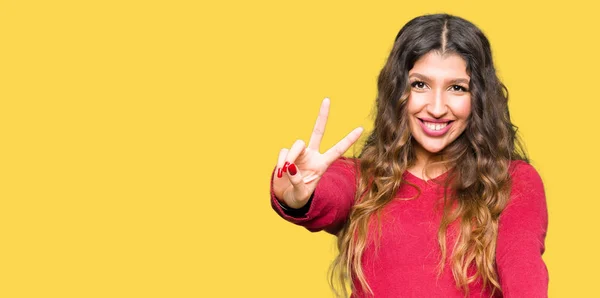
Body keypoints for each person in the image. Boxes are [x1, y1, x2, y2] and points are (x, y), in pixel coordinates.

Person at [270, 13, 548, 298]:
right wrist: (301, 195)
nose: (437, 108)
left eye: (457, 88)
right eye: (420, 85)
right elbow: (330, 193)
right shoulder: (363, 178)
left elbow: (522, 267)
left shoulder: (512, 182)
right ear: (397, 90)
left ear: (478, 97)